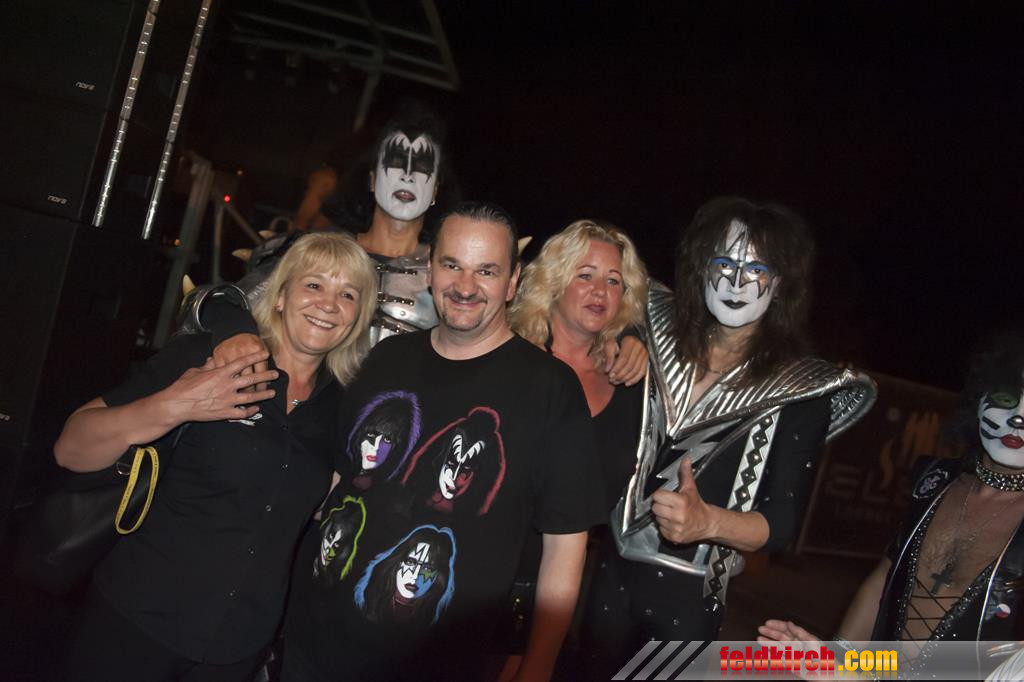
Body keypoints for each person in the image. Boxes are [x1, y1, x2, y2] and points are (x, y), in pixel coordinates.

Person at [278, 202, 605, 681]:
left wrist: (537, 666)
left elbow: (565, 544)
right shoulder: (385, 357)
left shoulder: (549, 388)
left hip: (434, 667)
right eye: (452, 265)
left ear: (513, 282)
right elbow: (338, 478)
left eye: (486, 271)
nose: (465, 286)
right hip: (311, 645)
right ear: (430, 271)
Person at [56, 232, 378, 681]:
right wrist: (175, 405)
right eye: (313, 285)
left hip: (237, 648)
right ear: (280, 296)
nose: (328, 303)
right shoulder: (208, 360)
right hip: (135, 623)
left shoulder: (344, 409)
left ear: (358, 317)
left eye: (348, 295)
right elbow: (71, 447)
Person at [592, 197, 875, 672]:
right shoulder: (655, 330)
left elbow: (780, 524)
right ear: (703, 267)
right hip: (605, 575)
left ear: (780, 284)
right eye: (724, 263)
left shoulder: (801, 388)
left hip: (688, 598)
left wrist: (709, 523)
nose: (736, 282)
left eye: (757, 269)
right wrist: (626, 338)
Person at [759, 332, 1024, 674]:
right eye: (1006, 397)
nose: (1018, 417)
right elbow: (884, 578)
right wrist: (837, 661)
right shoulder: (935, 479)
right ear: (979, 399)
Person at [503, 219, 649, 671]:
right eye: (585, 275)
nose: (600, 291)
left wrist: (634, 340)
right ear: (554, 280)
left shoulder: (629, 381)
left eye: (614, 281)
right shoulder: (509, 357)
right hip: (485, 579)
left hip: (566, 590)